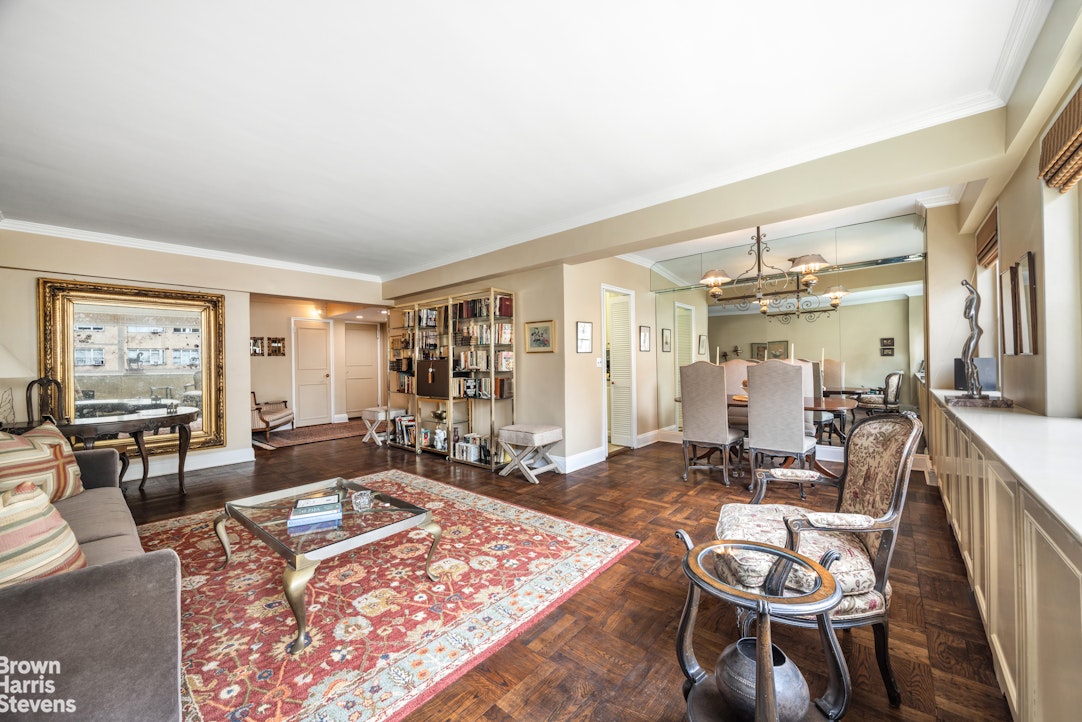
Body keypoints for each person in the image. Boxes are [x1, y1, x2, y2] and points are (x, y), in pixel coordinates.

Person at [961, 279, 985, 398]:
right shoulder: (971, 301)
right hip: (972, 333)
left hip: (975, 331)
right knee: (964, 358)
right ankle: (977, 384)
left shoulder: (974, 300)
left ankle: (970, 388)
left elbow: (967, 315)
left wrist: (967, 284)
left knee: (967, 361)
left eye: (968, 302)